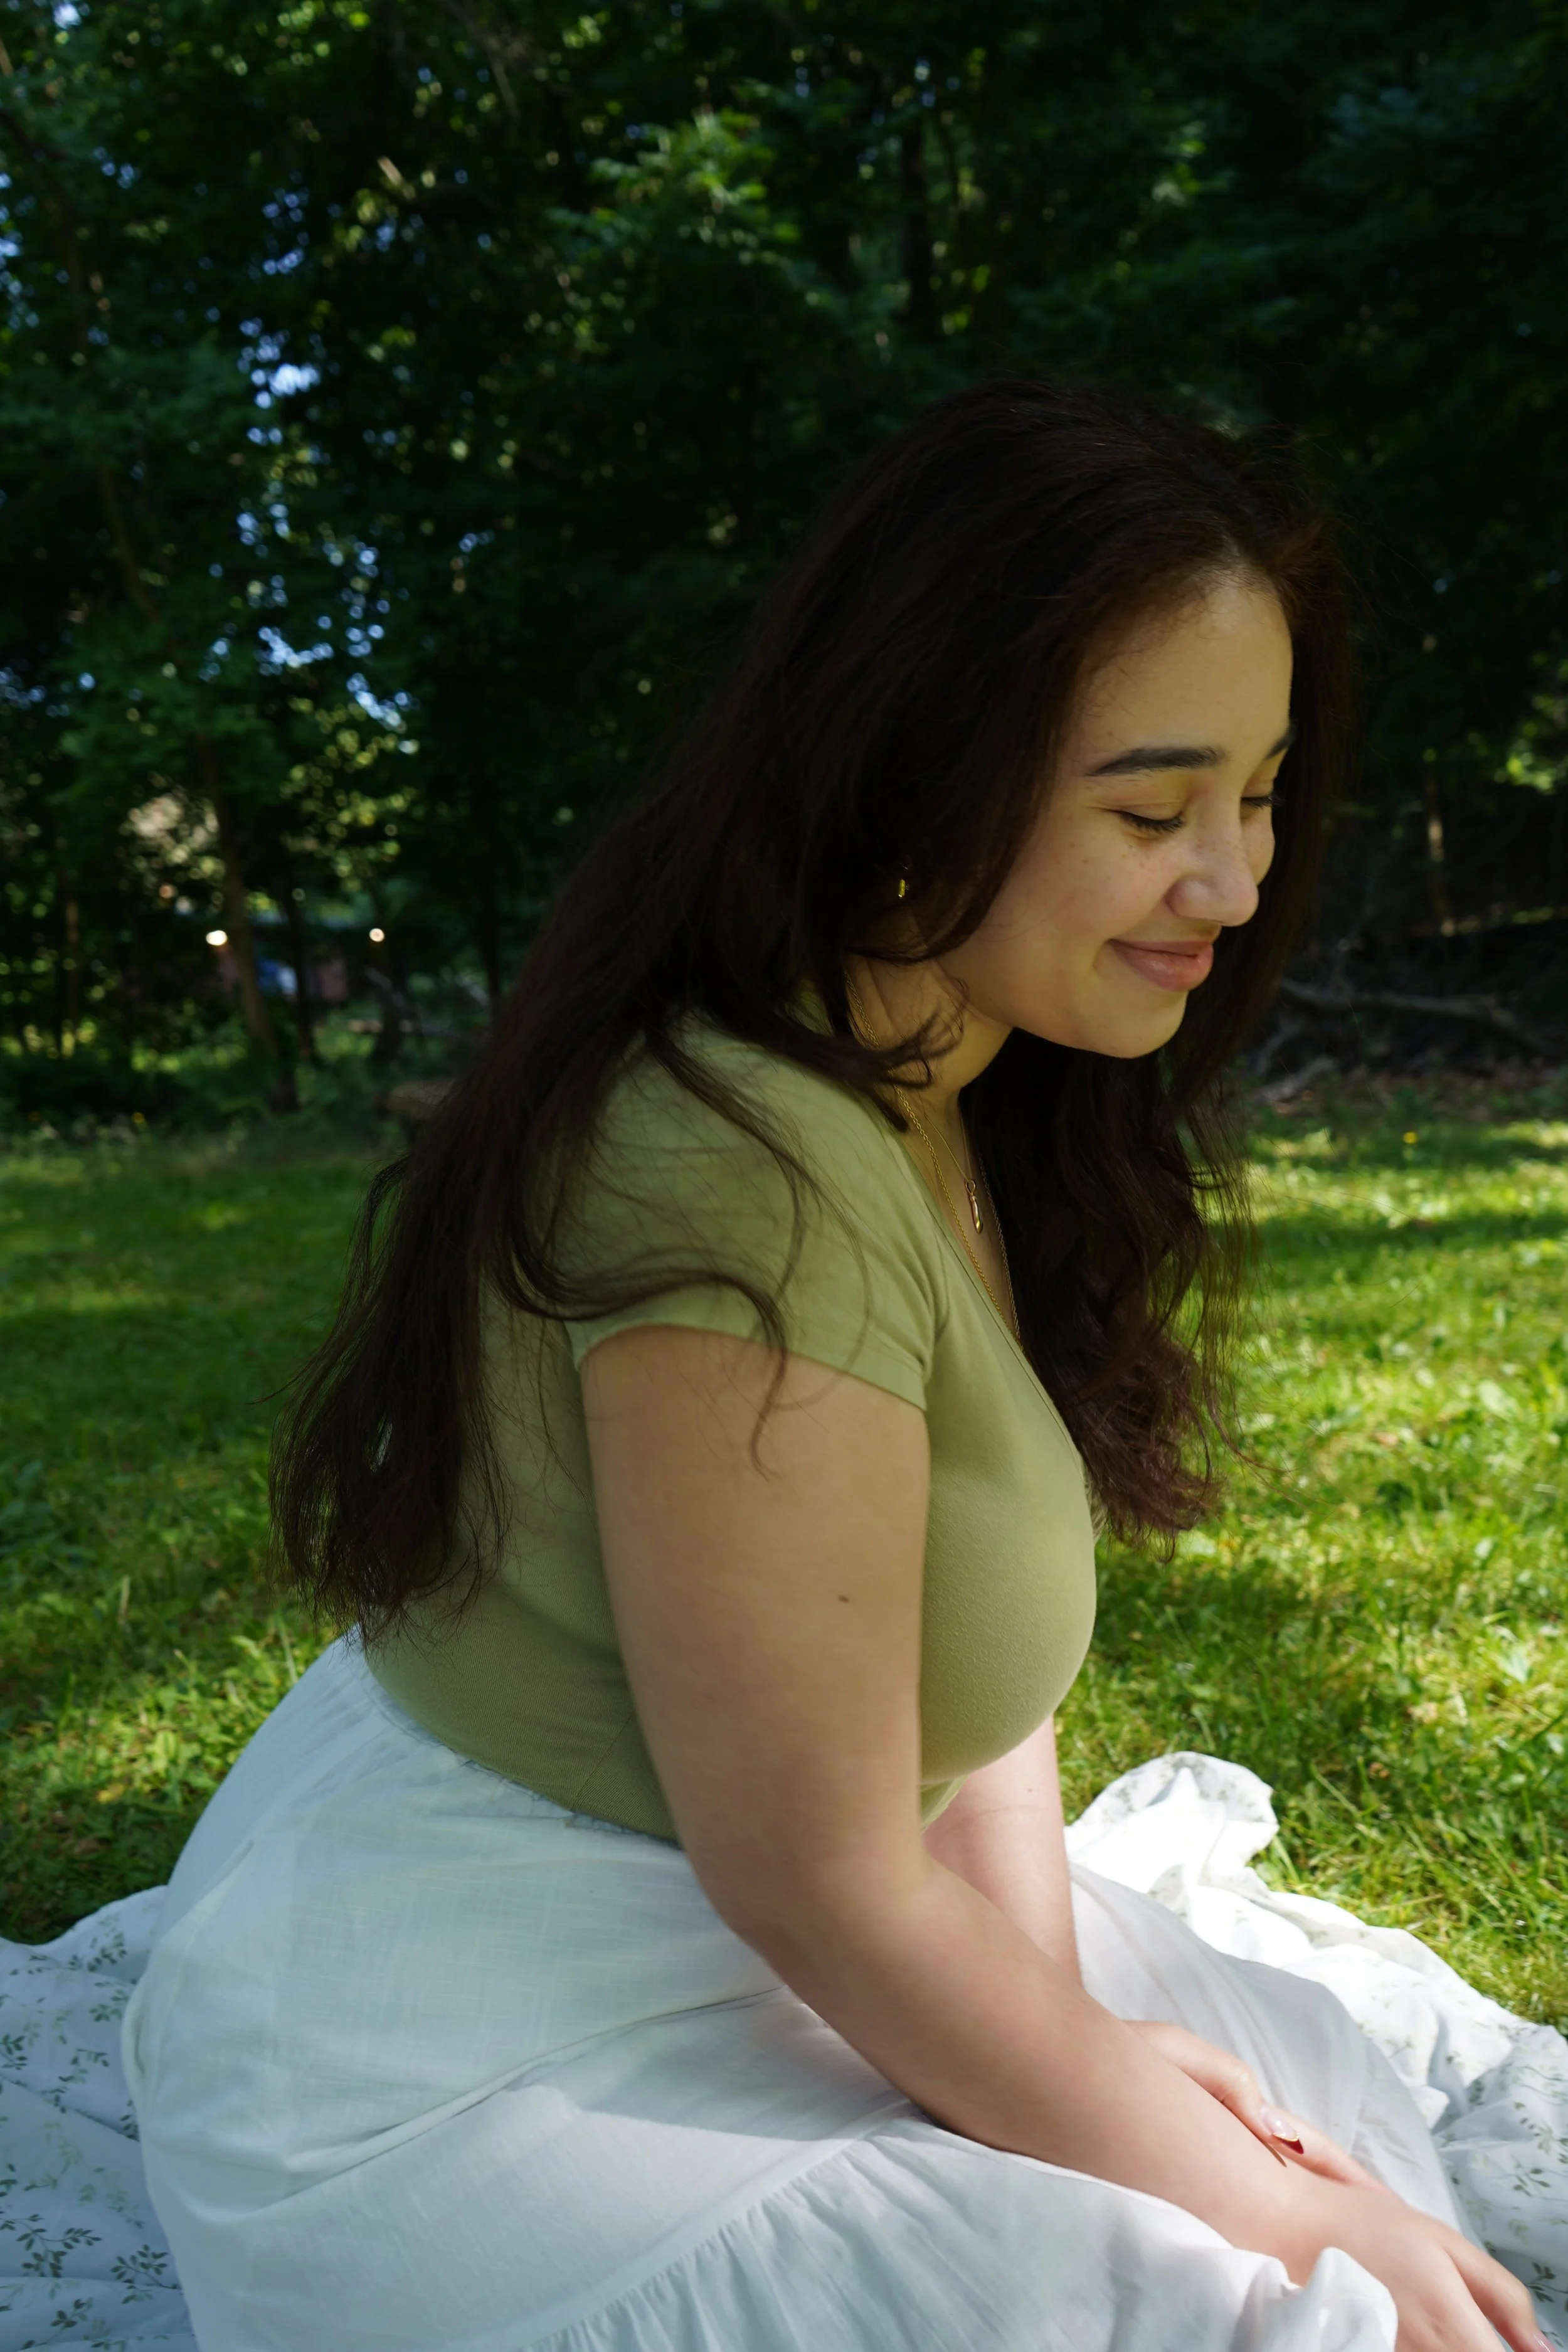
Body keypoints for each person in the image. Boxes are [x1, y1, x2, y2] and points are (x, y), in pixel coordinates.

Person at [122, 381, 1549, 2352]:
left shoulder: (952, 1069)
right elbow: (818, 1878)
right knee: (1280, 2296)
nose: (1227, 880)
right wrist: (1202, 2185)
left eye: (1258, 789)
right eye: (1149, 810)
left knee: (1321, 2151)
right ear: (910, 778)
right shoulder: (737, 1170)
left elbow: (936, 1728)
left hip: (755, 1895)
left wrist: (1067, 2053)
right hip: (465, 2039)